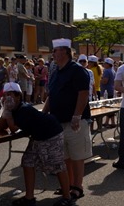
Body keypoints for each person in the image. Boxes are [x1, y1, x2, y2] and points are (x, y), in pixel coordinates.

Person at [0, 82, 73, 206]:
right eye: (5, 95)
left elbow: (13, 129)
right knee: (28, 162)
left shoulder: (23, 109)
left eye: (10, 95)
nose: (6, 98)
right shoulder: (13, 109)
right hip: (38, 136)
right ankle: (29, 198)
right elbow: (1, 126)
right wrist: (5, 111)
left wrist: (8, 114)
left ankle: (67, 197)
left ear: (18, 96)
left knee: (57, 164)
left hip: (50, 133)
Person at [42, 38, 92, 200]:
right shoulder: (56, 71)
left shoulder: (77, 70)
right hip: (58, 121)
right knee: (65, 156)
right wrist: (43, 114)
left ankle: (77, 186)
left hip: (74, 121)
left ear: (63, 51)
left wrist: (77, 115)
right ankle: (68, 185)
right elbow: (51, 95)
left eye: (55, 51)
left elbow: (83, 94)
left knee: (77, 156)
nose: (53, 55)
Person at [101, 58, 116, 128]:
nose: (103, 64)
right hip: (111, 90)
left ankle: (112, 122)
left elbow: (105, 81)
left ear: (108, 64)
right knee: (110, 107)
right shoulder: (112, 71)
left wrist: (99, 80)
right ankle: (107, 121)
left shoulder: (106, 71)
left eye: (105, 63)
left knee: (108, 107)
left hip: (107, 91)